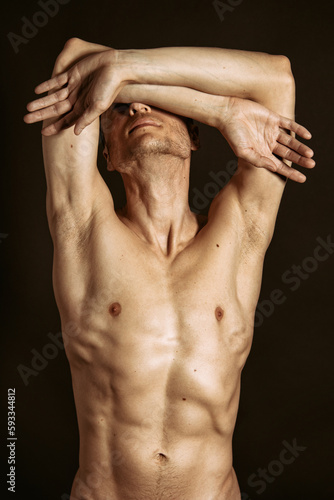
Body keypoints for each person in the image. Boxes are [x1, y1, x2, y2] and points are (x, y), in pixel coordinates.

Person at [24, 38, 315, 500]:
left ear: (193, 137)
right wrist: (219, 110)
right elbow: (73, 59)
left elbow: (277, 76)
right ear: (109, 154)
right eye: (119, 108)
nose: (138, 105)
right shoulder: (82, 228)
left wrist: (124, 69)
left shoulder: (242, 232)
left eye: (158, 101)